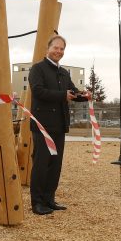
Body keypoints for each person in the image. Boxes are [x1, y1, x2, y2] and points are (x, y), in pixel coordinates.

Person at [28, 35, 90, 215]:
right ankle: (37, 202)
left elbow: (72, 92)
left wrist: (85, 96)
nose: (59, 51)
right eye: (56, 48)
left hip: (59, 125)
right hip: (42, 125)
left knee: (55, 165)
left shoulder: (64, 72)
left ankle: (49, 198)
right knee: (41, 164)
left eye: (62, 49)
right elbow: (38, 91)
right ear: (48, 49)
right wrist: (62, 95)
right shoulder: (37, 69)